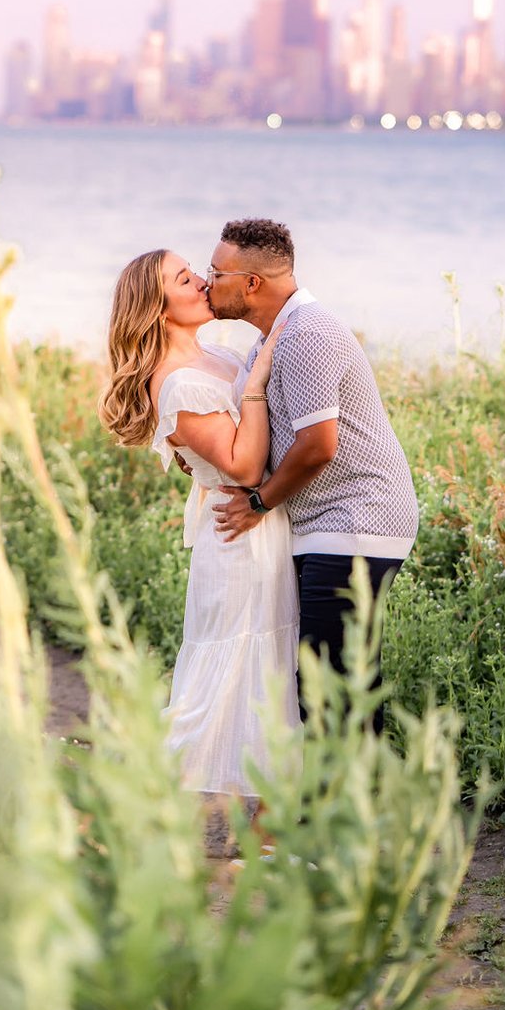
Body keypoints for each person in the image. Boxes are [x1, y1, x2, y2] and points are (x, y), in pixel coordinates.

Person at [99, 248, 299, 803]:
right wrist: (257, 383)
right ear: (160, 309)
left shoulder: (212, 354)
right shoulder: (181, 382)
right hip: (239, 539)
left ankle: (266, 819)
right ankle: (128, 800)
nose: (204, 283)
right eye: (186, 279)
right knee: (221, 678)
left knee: (261, 675)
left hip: (263, 526)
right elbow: (243, 466)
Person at [209, 219, 418, 732]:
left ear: (251, 283)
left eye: (216, 273)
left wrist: (259, 503)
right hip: (330, 525)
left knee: (331, 687)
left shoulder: (308, 333)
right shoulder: (274, 337)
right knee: (338, 682)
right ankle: (350, 805)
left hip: (356, 520)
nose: (206, 281)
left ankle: (347, 808)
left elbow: (318, 446)